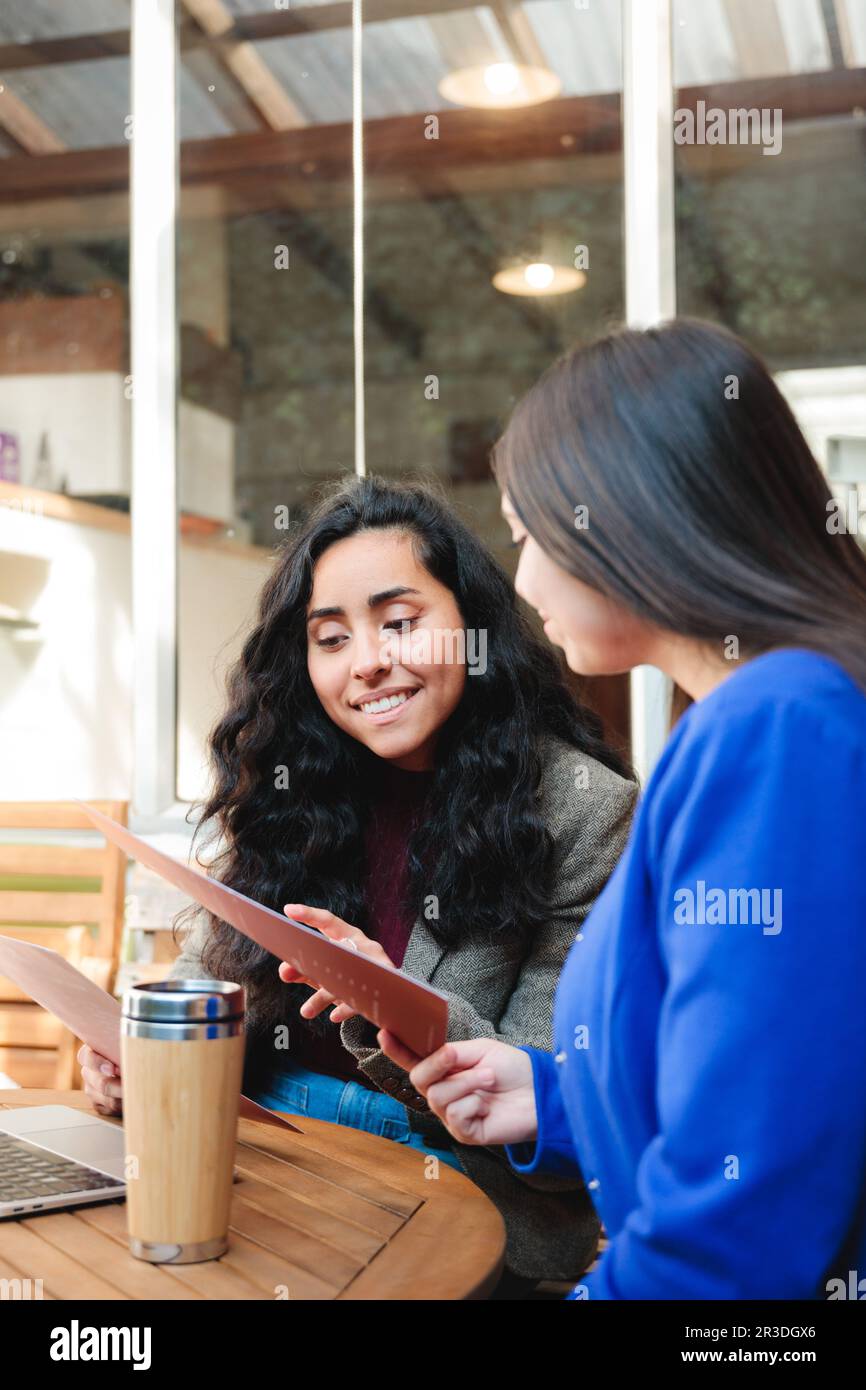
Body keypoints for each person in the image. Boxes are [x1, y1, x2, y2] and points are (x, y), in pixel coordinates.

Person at [374, 318, 866, 1299]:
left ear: (628, 515)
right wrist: (551, 1099)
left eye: (526, 535)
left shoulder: (775, 730)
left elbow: (739, 1220)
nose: (521, 581)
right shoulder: (731, 721)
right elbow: (744, 1085)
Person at [80, 476, 636, 1286]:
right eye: (331, 639)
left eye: (401, 623)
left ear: (471, 628)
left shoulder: (584, 812)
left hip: (452, 1203)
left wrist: (394, 1005)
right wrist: (146, 1055)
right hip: (261, 1159)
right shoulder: (289, 786)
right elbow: (211, 977)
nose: (368, 664)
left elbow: (552, 1123)